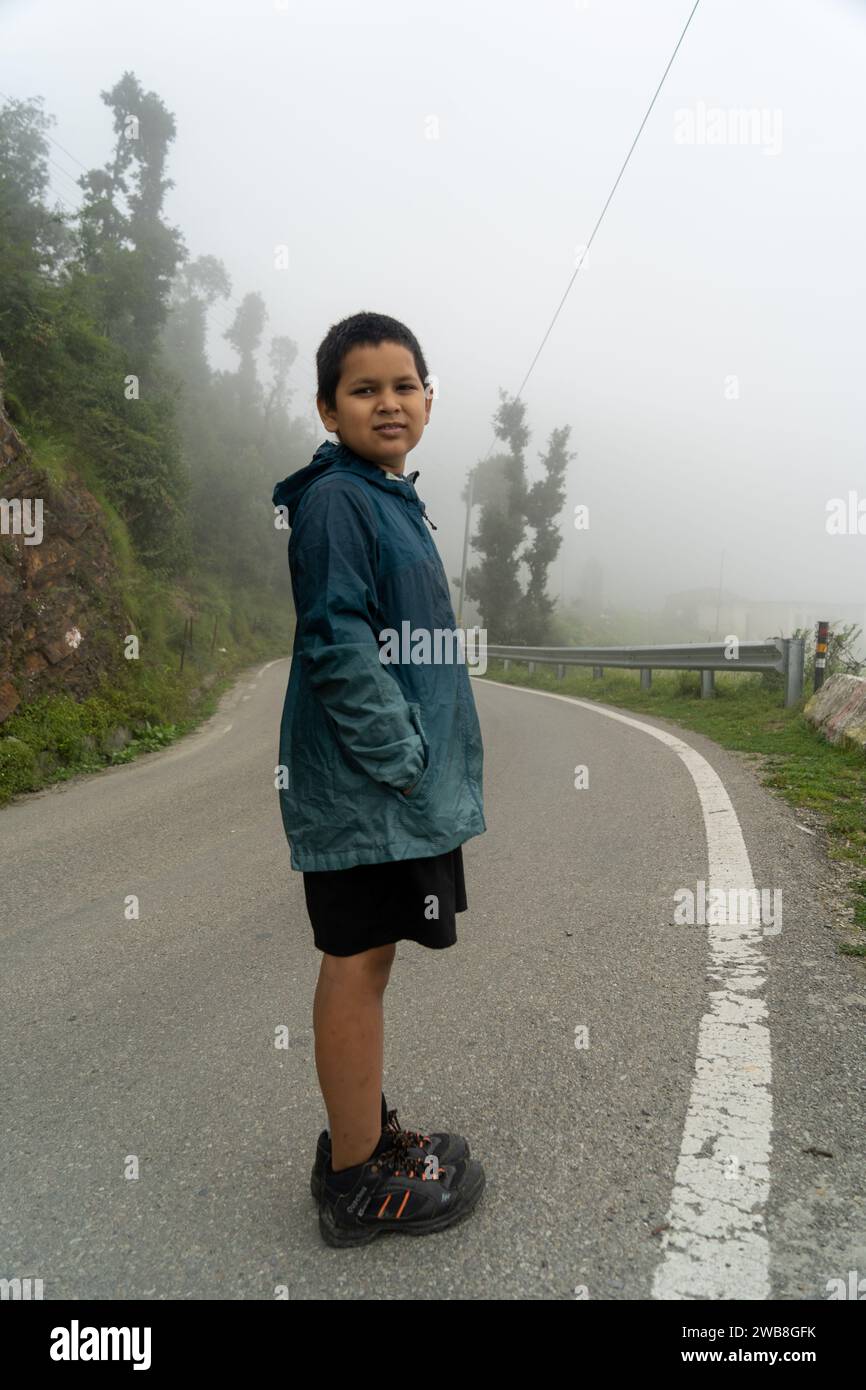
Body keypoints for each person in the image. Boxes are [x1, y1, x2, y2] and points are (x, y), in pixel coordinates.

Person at [272, 311, 487, 1247]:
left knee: (373, 959)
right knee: (356, 963)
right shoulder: (337, 503)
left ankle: (363, 1137)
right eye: (364, 389)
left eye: (404, 386)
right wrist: (404, 759)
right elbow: (337, 642)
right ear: (328, 409)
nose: (388, 402)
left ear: (429, 401)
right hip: (371, 788)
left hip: (394, 793)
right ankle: (359, 1184)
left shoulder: (388, 496)